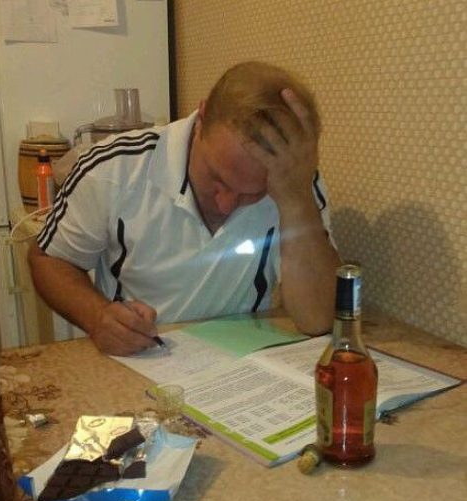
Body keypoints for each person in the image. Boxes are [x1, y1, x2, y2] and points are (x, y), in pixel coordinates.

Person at [28, 61, 340, 356]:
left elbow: (318, 320)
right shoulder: (115, 167)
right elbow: (48, 259)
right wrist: (97, 316)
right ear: (201, 120)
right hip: (139, 356)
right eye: (217, 178)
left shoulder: (293, 179)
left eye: (253, 193)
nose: (226, 205)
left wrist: (297, 199)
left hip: (239, 364)